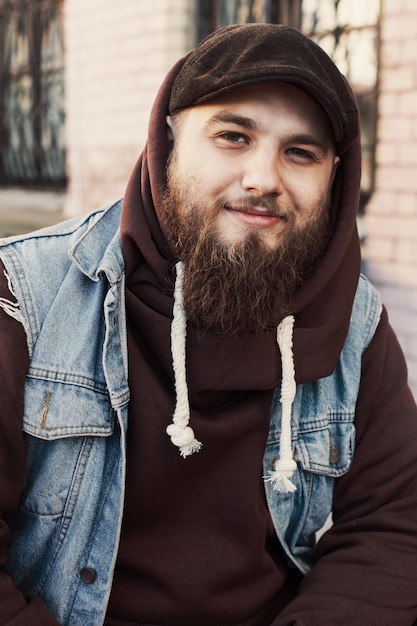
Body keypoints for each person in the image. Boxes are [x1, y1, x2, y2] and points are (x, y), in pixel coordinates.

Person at [0, 22, 416, 626]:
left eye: (300, 152)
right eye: (232, 136)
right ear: (169, 143)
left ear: (336, 177)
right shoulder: (26, 298)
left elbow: (394, 523)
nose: (263, 179)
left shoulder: (355, 324)